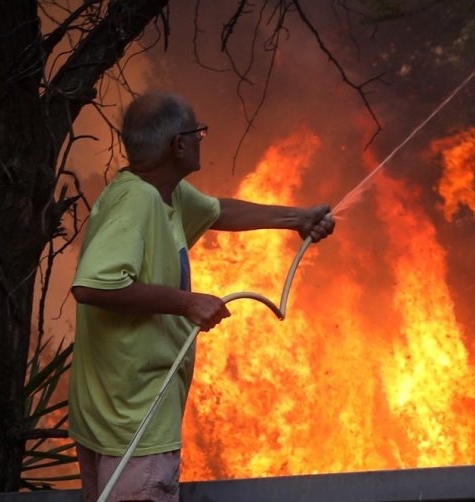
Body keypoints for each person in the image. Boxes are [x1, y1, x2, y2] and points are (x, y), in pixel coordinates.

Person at [68, 91, 335, 501]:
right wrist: (187, 302)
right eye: (198, 133)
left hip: (113, 415)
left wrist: (296, 219)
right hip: (134, 419)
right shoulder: (137, 202)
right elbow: (94, 284)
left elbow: (218, 212)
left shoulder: (159, 192)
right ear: (178, 145)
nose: (201, 140)